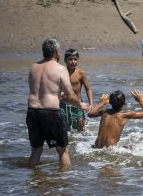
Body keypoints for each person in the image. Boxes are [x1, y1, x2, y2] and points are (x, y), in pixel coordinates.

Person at [26, 38, 87, 170]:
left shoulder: (33, 67)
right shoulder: (60, 69)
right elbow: (70, 95)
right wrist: (80, 105)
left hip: (32, 112)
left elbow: (40, 90)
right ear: (56, 52)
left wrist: (58, 96)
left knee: (36, 150)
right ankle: (63, 185)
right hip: (50, 114)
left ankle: (33, 181)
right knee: (63, 150)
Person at [60, 49, 94, 132]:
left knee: (80, 126)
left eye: (75, 59)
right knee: (64, 128)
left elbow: (88, 89)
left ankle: (81, 143)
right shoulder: (61, 72)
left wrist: (91, 104)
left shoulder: (80, 73)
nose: (73, 62)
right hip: (64, 105)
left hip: (78, 104)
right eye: (70, 59)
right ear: (65, 60)